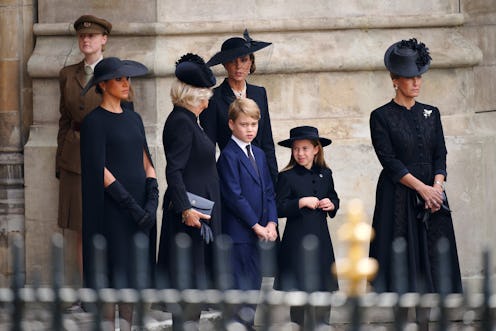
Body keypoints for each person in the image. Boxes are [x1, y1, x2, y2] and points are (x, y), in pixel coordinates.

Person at [368, 38, 462, 295]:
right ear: (395, 79)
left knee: (434, 265)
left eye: (419, 76)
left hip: (433, 197)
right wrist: (423, 189)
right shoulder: (380, 116)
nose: (416, 82)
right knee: (402, 266)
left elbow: (440, 154)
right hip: (399, 196)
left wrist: (437, 188)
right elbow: (389, 161)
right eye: (410, 77)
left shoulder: (432, 112)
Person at [80, 57, 158, 330]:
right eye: (119, 79)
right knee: (112, 276)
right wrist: (130, 206)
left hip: (138, 209)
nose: (126, 84)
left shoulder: (134, 117)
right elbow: (98, 169)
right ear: (102, 85)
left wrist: (151, 200)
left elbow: (146, 159)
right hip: (112, 212)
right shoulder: (94, 122)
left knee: (132, 278)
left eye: (127, 79)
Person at [157, 53, 220, 329]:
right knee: (187, 287)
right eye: (205, 96)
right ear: (192, 96)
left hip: (199, 215)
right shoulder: (181, 122)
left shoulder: (190, 119)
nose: (208, 102)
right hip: (189, 217)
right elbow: (174, 170)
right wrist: (185, 208)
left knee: (195, 286)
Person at [55, 15, 111, 298]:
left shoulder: (115, 72)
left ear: (104, 40)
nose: (85, 40)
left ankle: (110, 290)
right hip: (75, 158)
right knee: (81, 228)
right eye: (81, 37)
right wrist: (59, 161)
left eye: (91, 36)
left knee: (108, 226)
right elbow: (64, 120)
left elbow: (127, 118)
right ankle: (89, 292)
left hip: (107, 157)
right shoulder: (67, 73)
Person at [216, 98, 278, 328]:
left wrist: (271, 222)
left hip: (260, 233)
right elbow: (234, 196)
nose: (250, 129)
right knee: (239, 291)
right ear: (232, 124)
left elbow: (269, 192)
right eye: (244, 124)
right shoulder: (228, 156)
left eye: (253, 124)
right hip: (240, 235)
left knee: (253, 290)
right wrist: (256, 225)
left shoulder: (259, 154)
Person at [274, 126, 340, 328]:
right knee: (299, 293)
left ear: (316, 149)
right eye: (296, 149)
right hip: (296, 242)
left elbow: (334, 196)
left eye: (304, 148)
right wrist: (300, 202)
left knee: (324, 290)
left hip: (321, 241)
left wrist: (332, 204)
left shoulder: (326, 174)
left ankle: (322, 326)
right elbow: (278, 207)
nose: (300, 153)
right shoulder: (287, 176)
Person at [200, 29, 278, 185]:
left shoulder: (259, 93)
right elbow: (208, 147)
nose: (238, 66)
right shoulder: (213, 98)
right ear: (224, 64)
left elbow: (267, 141)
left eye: (243, 60)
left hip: (260, 172)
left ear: (251, 61)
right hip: (231, 174)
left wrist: (275, 182)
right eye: (232, 61)